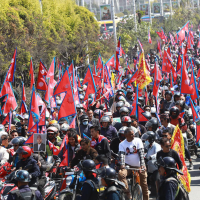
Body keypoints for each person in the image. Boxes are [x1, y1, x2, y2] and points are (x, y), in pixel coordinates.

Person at [118, 127, 149, 200]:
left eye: (133, 134)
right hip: (127, 166)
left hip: (139, 166)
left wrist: (142, 165)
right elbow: (122, 155)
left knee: (144, 184)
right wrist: (122, 164)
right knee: (121, 174)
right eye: (131, 134)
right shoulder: (122, 144)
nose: (133, 136)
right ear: (126, 136)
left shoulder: (138, 141)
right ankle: (127, 192)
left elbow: (141, 154)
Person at [141, 131, 161, 196]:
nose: (146, 141)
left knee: (156, 180)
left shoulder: (156, 146)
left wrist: (149, 157)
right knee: (151, 180)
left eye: (147, 139)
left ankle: (159, 195)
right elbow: (147, 153)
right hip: (150, 168)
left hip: (156, 167)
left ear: (151, 139)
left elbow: (157, 154)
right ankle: (153, 193)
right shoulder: (149, 146)